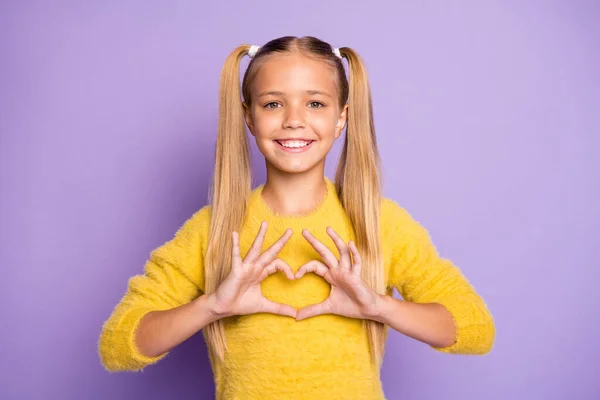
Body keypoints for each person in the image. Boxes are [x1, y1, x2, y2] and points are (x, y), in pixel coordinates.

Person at [98, 36, 495, 399]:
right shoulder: (213, 230)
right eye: (273, 103)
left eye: (315, 103)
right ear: (249, 117)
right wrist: (213, 306)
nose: (293, 119)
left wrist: (377, 306)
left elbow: (474, 328)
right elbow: (118, 346)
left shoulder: (378, 223)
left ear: (341, 118)